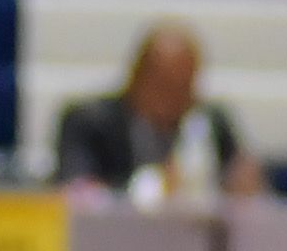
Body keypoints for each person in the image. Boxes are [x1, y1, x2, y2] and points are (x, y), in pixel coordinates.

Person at [53, 18, 255, 201]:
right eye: (165, 85)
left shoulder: (212, 123)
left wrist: (243, 186)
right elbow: (79, 192)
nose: (175, 99)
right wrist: (153, 187)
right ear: (136, 78)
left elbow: (240, 185)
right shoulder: (89, 122)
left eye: (184, 87)